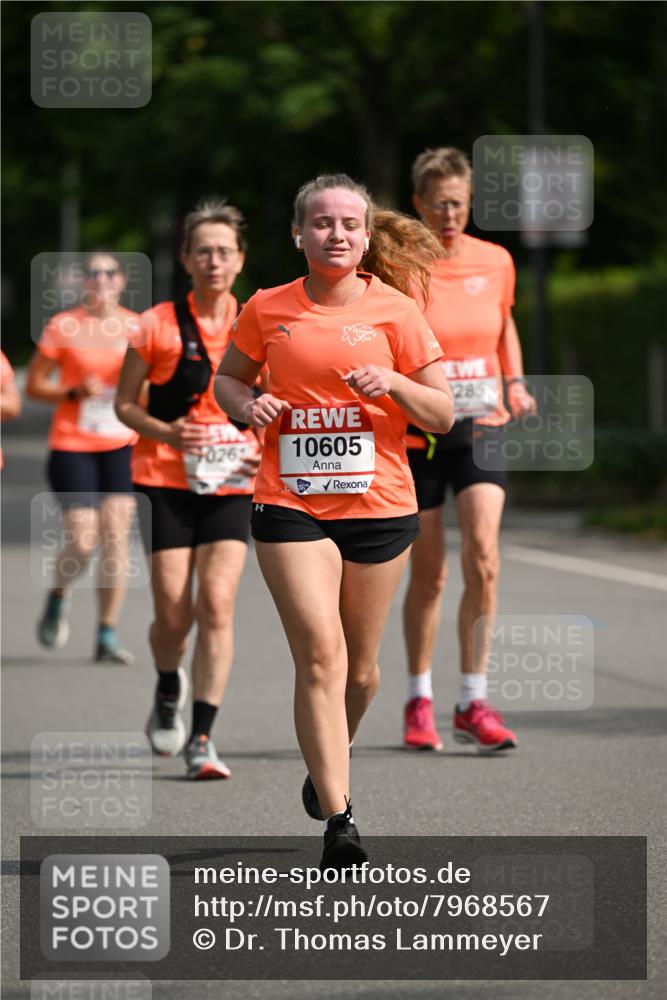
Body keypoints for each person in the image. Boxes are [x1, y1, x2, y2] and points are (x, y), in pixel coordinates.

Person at [214, 174, 453, 870]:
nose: (337, 234)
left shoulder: (397, 311)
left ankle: (327, 766)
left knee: (361, 670)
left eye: (349, 223)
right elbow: (228, 379)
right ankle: (340, 818)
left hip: (379, 503)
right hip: (289, 500)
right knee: (320, 653)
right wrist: (244, 405)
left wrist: (397, 385)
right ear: (299, 234)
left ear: (367, 235)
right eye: (322, 223)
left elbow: (440, 414)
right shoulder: (266, 307)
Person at [388, 147, 536, 753]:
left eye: (459, 203)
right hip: (420, 430)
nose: (449, 214)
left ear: (469, 203)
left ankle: (473, 698)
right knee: (429, 574)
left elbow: (503, 326)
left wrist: (516, 381)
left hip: (481, 419)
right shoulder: (402, 267)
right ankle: (419, 698)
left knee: (484, 557)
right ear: (419, 205)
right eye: (438, 204)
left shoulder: (496, 261)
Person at [115, 198, 260, 781]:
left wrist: (259, 437)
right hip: (164, 481)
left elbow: (276, 399)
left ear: (240, 259)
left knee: (217, 605)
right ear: (187, 259)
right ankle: (168, 684)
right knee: (173, 616)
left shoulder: (259, 321)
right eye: (203, 250)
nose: (214, 260)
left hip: (233, 484)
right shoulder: (153, 325)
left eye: (224, 251)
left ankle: (202, 736)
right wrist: (166, 430)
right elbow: (124, 405)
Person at [26, 252, 139, 664]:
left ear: (122, 280)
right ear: (84, 283)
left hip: (122, 444)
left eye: (110, 272)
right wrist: (72, 392)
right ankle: (59, 594)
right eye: (93, 273)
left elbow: (155, 383)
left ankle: (106, 635)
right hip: (73, 444)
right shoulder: (64, 325)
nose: (102, 279)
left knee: (116, 539)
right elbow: (35, 386)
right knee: (83, 540)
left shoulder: (137, 327)